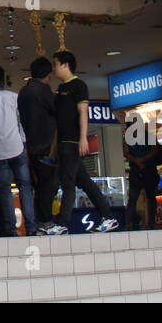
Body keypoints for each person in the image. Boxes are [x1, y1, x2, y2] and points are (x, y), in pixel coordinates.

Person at [0, 66, 42, 237]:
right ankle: (31, 228)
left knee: (4, 191)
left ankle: (11, 229)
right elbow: (23, 119)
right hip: (17, 148)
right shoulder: (14, 97)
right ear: (3, 80)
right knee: (25, 188)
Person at [51, 51, 108, 233]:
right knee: (84, 182)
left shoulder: (78, 85)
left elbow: (83, 112)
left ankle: (62, 223)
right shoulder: (60, 89)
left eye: (55, 64)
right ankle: (108, 216)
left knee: (67, 182)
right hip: (63, 143)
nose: (53, 68)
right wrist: (53, 148)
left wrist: (83, 138)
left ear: (65, 65)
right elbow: (59, 122)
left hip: (73, 142)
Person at [19, 56, 60, 232]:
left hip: (31, 145)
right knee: (48, 185)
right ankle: (45, 221)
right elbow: (57, 110)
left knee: (40, 185)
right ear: (48, 74)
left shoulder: (23, 91)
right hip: (47, 145)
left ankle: (38, 223)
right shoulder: (42, 90)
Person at [123, 114, 162, 232]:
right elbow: (126, 152)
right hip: (143, 169)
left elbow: (155, 149)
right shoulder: (130, 137)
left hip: (146, 169)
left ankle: (149, 223)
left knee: (148, 198)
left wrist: (139, 160)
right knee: (135, 199)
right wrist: (141, 160)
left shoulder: (139, 136)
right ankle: (130, 223)